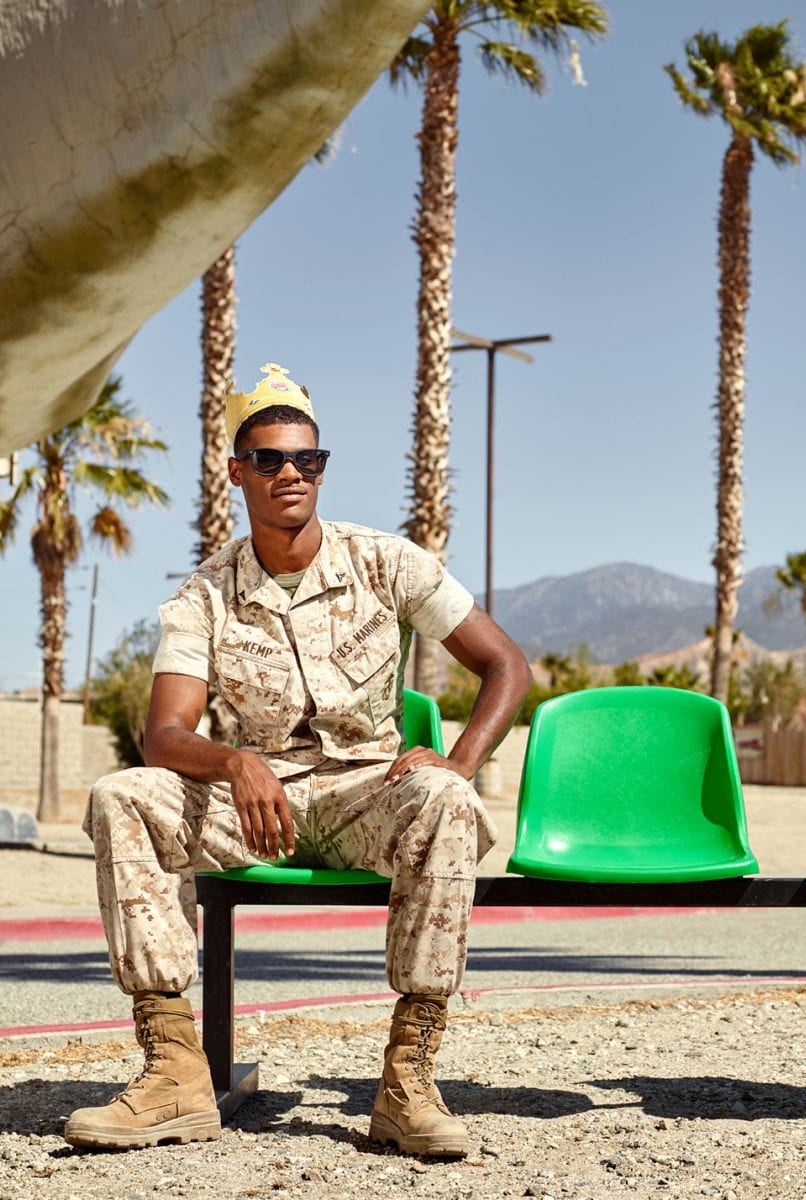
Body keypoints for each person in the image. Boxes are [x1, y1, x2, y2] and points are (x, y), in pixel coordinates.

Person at [64, 364, 531, 1157]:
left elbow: (506, 666)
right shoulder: (205, 593)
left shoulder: (385, 562)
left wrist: (458, 761)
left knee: (448, 804)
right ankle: (174, 1071)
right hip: (258, 805)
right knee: (123, 796)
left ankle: (407, 1082)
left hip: (365, 796)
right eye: (273, 460)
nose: (292, 474)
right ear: (238, 472)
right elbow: (165, 736)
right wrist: (236, 762)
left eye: (308, 461)